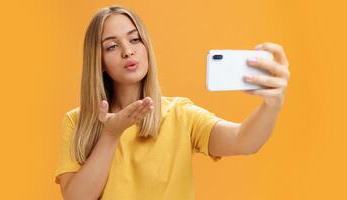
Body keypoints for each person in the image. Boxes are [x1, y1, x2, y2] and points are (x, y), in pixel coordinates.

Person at [54, 5, 290, 200]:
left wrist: (272, 104)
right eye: (112, 46)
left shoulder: (180, 115)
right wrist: (110, 135)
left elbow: (243, 141)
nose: (128, 51)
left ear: (146, 46)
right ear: (99, 61)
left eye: (135, 39)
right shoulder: (77, 121)